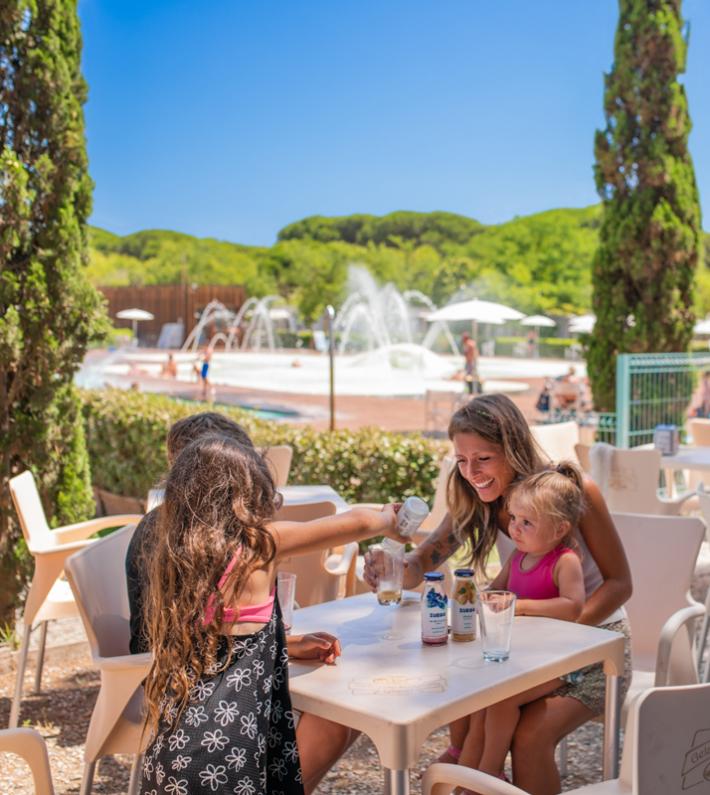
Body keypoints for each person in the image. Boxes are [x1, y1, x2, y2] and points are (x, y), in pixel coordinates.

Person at [364, 393, 632, 795]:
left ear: (513, 449)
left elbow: (620, 584)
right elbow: (425, 561)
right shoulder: (478, 499)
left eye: (483, 458)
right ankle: (475, 776)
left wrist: (569, 638)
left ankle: (475, 778)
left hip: (597, 648)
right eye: (461, 460)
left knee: (529, 736)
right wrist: (395, 570)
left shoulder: (570, 493)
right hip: (530, 647)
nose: (471, 472)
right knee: (474, 695)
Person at [138, 433, 405, 795]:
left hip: (175, 754)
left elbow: (221, 638)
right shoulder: (258, 545)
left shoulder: (177, 557)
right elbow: (355, 524)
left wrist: (287, 646)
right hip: (227, 758)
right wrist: (388, 518)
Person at [454, 464, 585, 788]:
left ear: (558, 529)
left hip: (558, 663)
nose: (515, 528)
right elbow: (496, 593)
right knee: (481, 700)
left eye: (527, 522)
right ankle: (466, 777)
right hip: (523, 657)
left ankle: (490, 775)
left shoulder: (564, 560)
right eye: (514, 518)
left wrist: (518, 607)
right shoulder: (518, 556)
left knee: (500, 698)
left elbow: (573, 606)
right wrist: (474, 598)